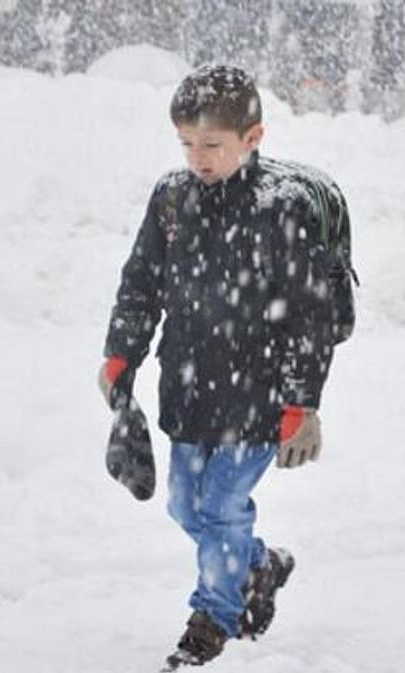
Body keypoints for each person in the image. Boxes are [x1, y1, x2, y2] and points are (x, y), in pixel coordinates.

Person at [99, 65, 353, 669]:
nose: (198, 158)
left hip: (259, 393)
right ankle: (257, 564)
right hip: (189, 388)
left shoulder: (280, 208)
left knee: (219, 508)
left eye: (212, 145)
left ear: (253, 138)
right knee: (186, 507)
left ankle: (213, 616)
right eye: (187, 144)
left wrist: (299, 404)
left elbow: (308, 317)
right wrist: (120, 355)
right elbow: (142, 284)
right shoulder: (171, 199)